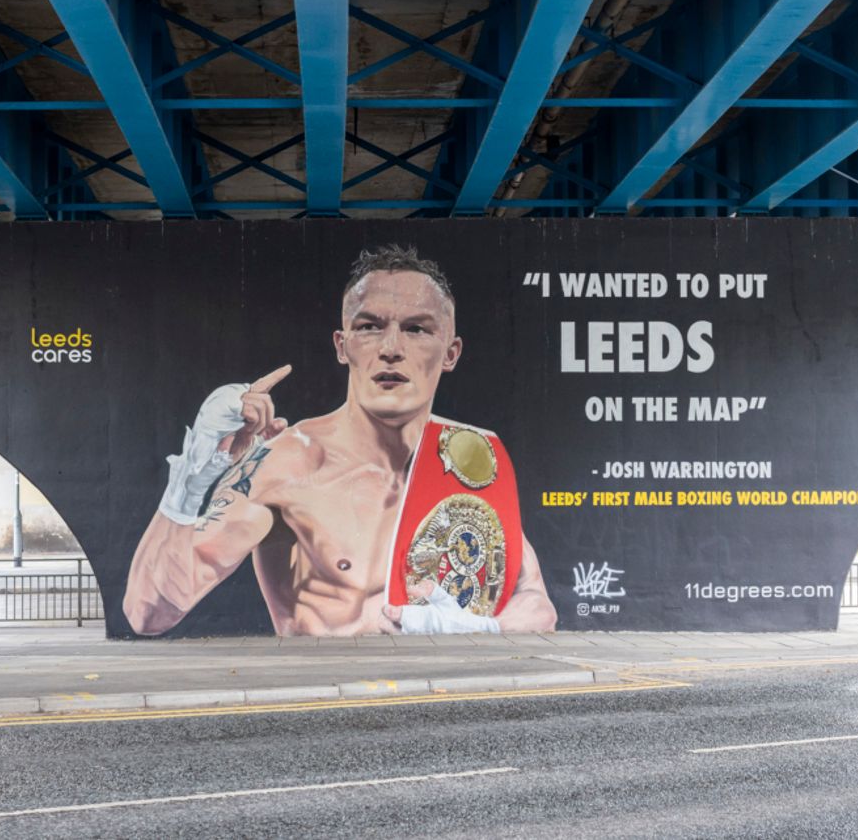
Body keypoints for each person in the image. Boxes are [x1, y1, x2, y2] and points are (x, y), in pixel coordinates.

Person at [123, 246, 557, 636]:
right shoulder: (288, 463)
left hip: (434, 710)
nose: (391, 348)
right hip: (329, 712)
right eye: (370, 327)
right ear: (342, 345)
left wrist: (476, 628)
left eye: (417, 329)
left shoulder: (470, 460)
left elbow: (537, 606)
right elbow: (150, 612)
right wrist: (193, 477)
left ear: (450, 352)